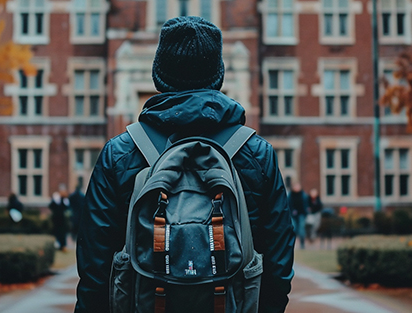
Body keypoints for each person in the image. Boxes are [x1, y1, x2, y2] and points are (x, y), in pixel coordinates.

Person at [75, 16, 295, 313]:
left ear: (158, 76)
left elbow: (94, 268)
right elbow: (279, 266)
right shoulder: (256, 153)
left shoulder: (120, 152)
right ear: (218, 77)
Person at [288, 182, 308, 249]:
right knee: (294, 229)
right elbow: (288, 205)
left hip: (301, 214)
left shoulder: (303, 195)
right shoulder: (290, 195)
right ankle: (292, 244)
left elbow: (306, 205)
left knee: (301, 229)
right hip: (293, 215)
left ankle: (302, 244)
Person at [68, 177, 85, 242]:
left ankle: (73, 238)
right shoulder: (81, 196)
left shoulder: (72, 196)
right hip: (79, 214)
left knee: (74, 227)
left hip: (74, 213)